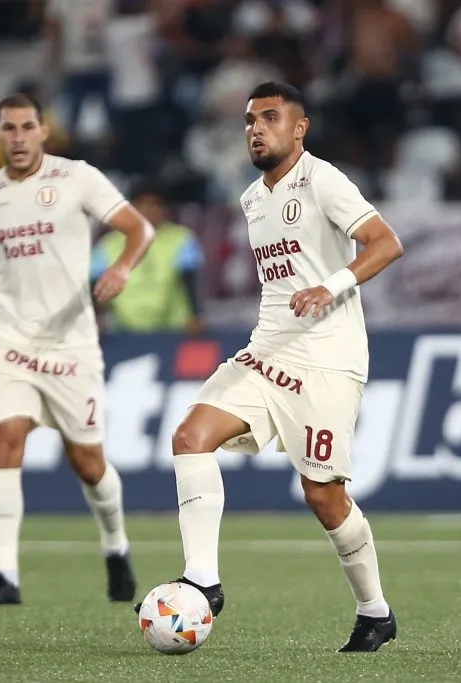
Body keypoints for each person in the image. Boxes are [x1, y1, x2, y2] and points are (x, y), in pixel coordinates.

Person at [136, 81, 405, 652]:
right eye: (250, 119)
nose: (256, 128)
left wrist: (328, 288)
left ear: (299, 128)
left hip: (329, 359)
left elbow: (385, 243)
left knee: (323, 495)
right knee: (191, 437)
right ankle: (203, 581)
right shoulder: (252, 197)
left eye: (271, 117)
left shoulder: (322, 179)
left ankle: (374, 611)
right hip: (268, 350)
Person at [0, 93, 155, 606]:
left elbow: (140, 228)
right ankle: (6, 576)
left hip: (72, 346)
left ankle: (116, 547)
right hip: (10, 340)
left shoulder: (77, 178)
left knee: (88, 464)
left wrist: (121, 268)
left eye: (28, 126)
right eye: (9, 128)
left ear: (44, 132)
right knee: (5, 440)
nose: (20, 136)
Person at [91, 180, 206, 334]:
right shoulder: (109, 245)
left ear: (164, 209)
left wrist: (196, 315)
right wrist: (96, 318)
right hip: (124, 333)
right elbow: (94, 285)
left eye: (155, 205)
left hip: (174, 331)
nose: (149, 210)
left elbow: (191, 281)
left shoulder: (182, 239)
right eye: (143, 204)